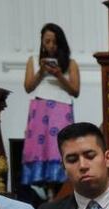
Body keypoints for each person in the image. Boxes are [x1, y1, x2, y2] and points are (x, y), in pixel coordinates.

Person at [22, 23, 80, 195]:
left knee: (59, 147)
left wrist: (59, 75)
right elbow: (28, 87)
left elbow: (75, 90)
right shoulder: (33, 60)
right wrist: (41, 71)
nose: (50, 46)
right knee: (40, 149)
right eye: (47, 41)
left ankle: (60, 190)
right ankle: (45, 192)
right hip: (39, 109)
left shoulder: (70, 63)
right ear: (42, 42)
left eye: (54, 42)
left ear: (60, 43)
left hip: (60, 110)